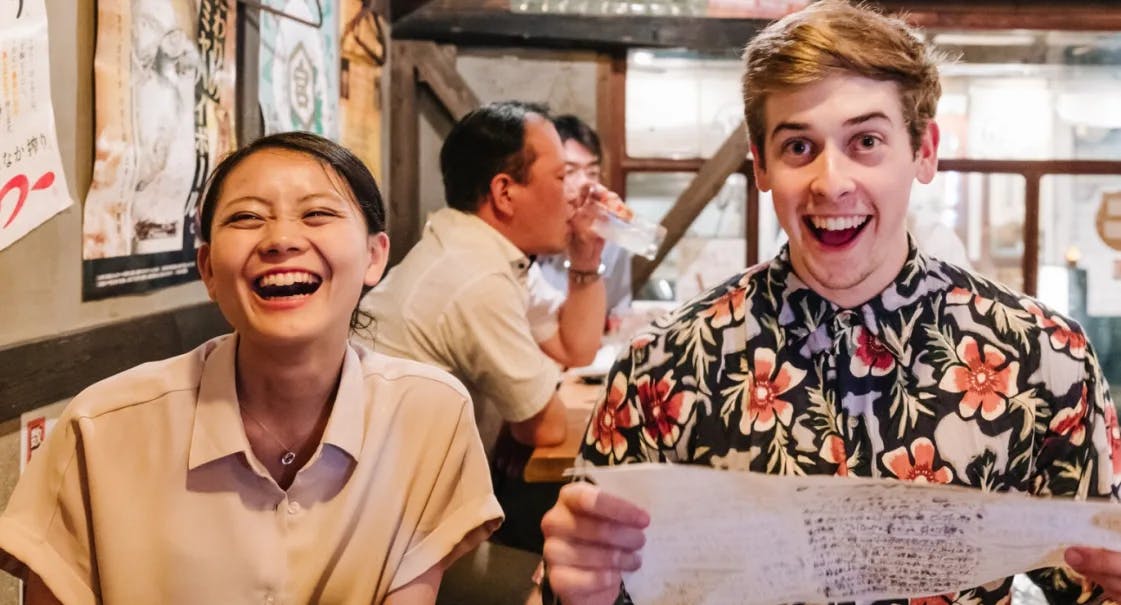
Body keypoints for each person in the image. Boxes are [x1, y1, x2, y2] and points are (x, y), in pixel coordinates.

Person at [539, 2, 1121, 603]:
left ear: (924, 152)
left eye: (866, 140)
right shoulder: (663, 366)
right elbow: (597, 580)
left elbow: (1090, 583)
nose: (831, 181)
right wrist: (581, 591)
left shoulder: (1044, 357)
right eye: (798, 147)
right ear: (760, 163)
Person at [0, 132, 502, 604]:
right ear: (208, 270)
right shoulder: (100, 428)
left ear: (375, 256)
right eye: (246, 218)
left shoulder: (430, 413)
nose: (281, 239)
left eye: (318, 213)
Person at [359, 101, 607, 453]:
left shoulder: (489, 253)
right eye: (562, 177)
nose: (573, 195)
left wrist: (586, 258)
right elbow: (545, 429)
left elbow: (575, 348)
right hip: (389, 493)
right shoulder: (474, 276)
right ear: (505, 193)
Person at [535, 115, 634, 326]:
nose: (585, 183)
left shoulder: (610, 237)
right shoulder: (530, 232)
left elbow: (618, 313)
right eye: (569, 171)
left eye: (592, 172)